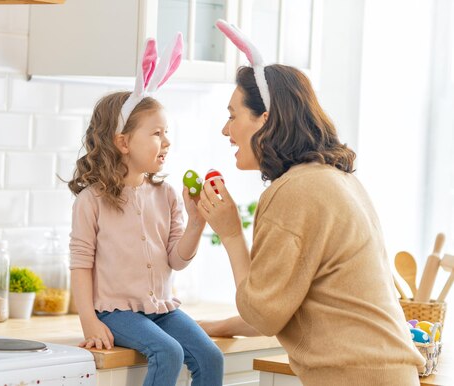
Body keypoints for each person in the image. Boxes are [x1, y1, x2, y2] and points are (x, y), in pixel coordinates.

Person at [194, 20, 425, 386]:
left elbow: (263, 313)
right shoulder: (335, 178)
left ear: (264, 120)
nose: (226, 130)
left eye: (232, 116)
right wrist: (213, 326)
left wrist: (231, 233)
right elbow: (284, 304)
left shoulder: (294, 193)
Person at [67, 34, 224, 386]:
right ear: (123, 142)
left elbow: (176, 260)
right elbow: (80, 265)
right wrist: (89, 321)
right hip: (115, 312)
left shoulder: (166, 193)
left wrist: (197, 223)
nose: (166, 142)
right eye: (156, 133)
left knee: (210, 356)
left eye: (166, 132)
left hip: (162, 309)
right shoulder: (91, 200)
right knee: (168, 353)